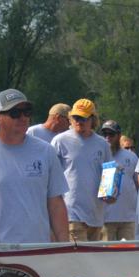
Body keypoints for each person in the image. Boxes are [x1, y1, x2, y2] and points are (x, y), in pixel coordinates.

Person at [0, 89, 68, 244]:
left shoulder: (46, 151)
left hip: (39, 250)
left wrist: (65, 246)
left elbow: (56, 203)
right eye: (15, 113)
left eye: (26, 112)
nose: (22, 117)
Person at [52, 98, 113, 242]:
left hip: (96, 213)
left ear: (92, 119)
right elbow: (51, 175)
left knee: (94, 260)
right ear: (70, 118)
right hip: (70, 211)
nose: (79, 121)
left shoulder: (102, 144)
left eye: (84, 118)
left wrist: (110, 192)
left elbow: (109, 171)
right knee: (80, 259)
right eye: (76, 117)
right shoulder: (60, 141)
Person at [100, 120, 139, 241]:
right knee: (106, 256)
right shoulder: (99, 155)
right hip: (105, 218)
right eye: (104, 134)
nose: (107, 138)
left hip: (128, 218)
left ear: (119, 135)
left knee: (128, 256)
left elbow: (137, 184)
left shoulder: (131, 156)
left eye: (111, 134)